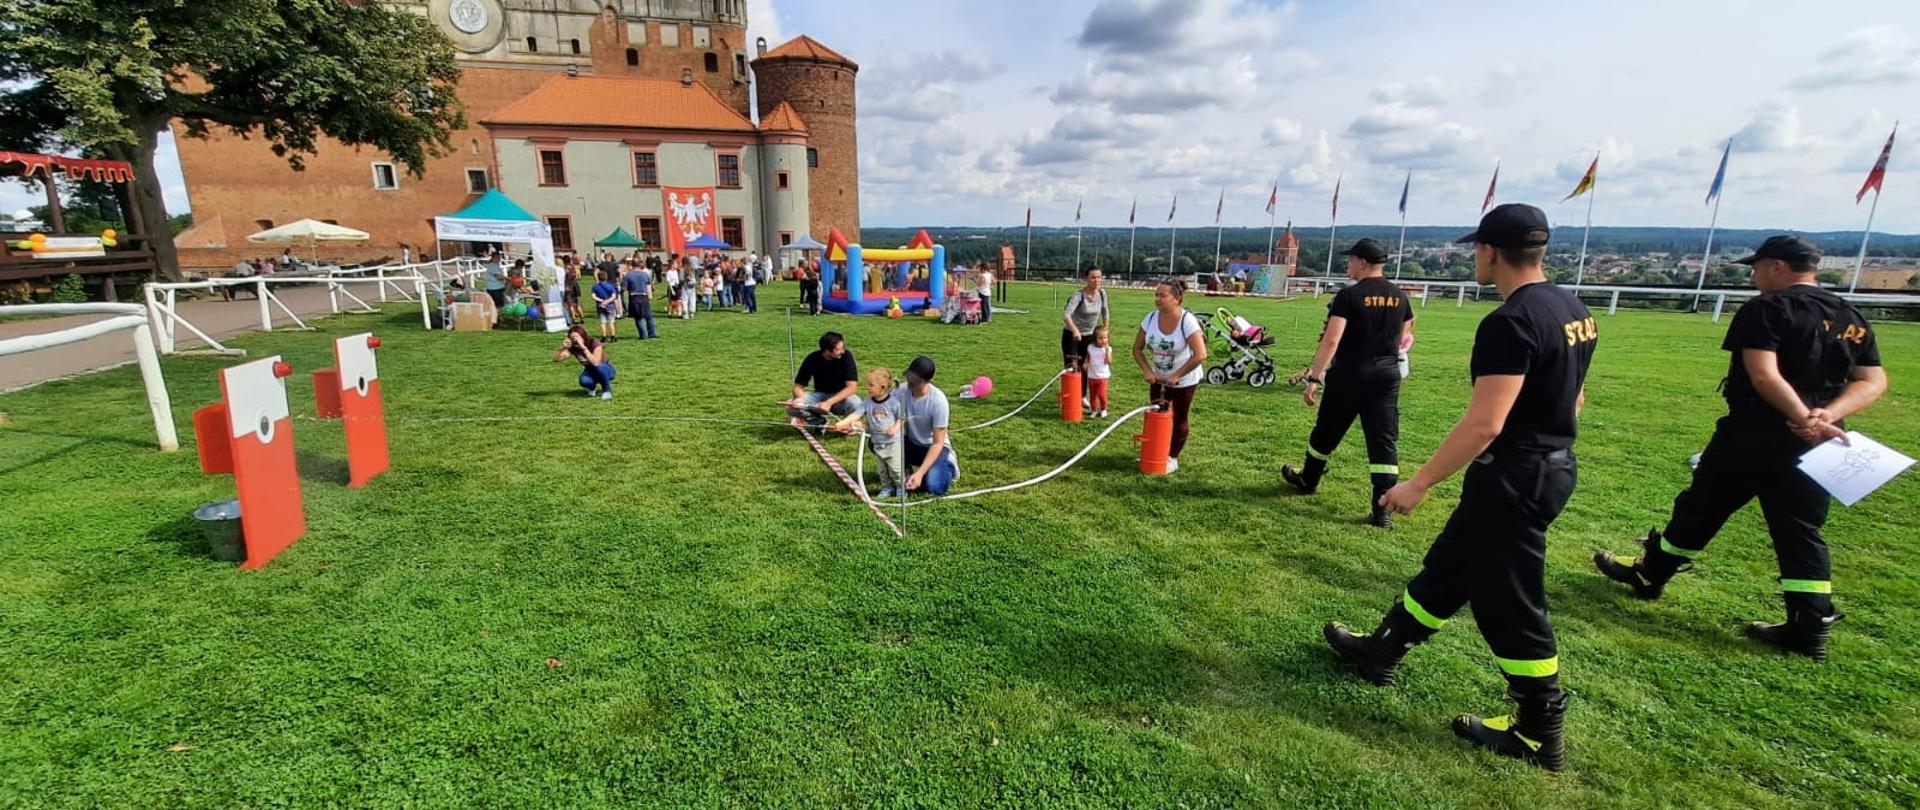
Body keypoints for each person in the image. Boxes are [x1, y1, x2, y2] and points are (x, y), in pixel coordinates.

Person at [1321, 204, 1595, 772]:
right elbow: (1575, 398)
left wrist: (1418, 483)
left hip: (1515, 473)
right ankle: (1383, 650)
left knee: (1510, 604)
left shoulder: (1510, 321)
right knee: (1450, 567)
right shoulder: (1574, 309)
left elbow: (1484, 422)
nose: (1475, 257)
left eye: (1477, 249)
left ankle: (1539, 730)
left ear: (1492, 252)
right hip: (1548, 464)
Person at [1593, 235, 1886, 661]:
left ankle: (1650, 574)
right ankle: (1809, 623)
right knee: (1800, 530)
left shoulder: (1767, 309)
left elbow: (1763, 375)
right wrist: (1825, 416)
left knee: (1701, 506)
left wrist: (1802, 417)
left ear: (1777, 267)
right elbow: (1873, 380)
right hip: (1821, 441)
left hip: (1754, 434)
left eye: (1757, 268)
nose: (1753, 276)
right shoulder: (1849, 315)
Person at [1282, 238, 1417, 529]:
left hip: (1350, 375)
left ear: (1363, 263)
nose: (1348, 264)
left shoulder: (1349, 296)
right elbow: (1407, 328)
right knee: (1383, 441)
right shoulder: (1400, 295)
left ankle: (1308, 479)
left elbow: (1332, 339)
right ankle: (1381, 510)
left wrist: (1315, 377)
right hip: (1386, 376)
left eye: (1351, 260)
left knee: (1326, 431)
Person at [1132, 279, 1208, 473]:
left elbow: (1200, 354)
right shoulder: (1149, 319)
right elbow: (1137, 348)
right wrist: (1147, 371)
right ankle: (1155, 451)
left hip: (1185, 378)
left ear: (1177, 299)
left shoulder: (1187, 321)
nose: (1157, 299)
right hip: (1159, 378)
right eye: (1156, 295)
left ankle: (1172, 457)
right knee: (1157, 414)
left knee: (1179, 417)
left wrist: (1177, 375)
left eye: (1162, 295)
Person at [832, 368, 909, 497]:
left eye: (871, 385)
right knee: (882, 470)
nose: (868, 388)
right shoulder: (867, 402)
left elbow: (902, 417)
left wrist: (895, 429)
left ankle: (901, 488)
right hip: (877, 442)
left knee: (896, 469)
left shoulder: (893, 403)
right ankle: (887, 488)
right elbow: (857, 414)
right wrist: (842, 423)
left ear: (882, 387)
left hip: (893, 443)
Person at [900, 356, 959, 495]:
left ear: (927, 381)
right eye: (909, 377)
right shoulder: (901, 391)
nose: (910, 382)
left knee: (934, 487)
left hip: (935, 448)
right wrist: (857, 423)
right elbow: (882, 412)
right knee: (877, 441)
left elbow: (938, 443)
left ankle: (949, 466)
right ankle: (905, 469)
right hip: (913, 444)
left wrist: (920, 474)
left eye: (915, 380)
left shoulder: (938, 401)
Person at [786, 331, 861, 427]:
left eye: (843, 347)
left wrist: (829, 402)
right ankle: (819, 422)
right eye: (838, 349)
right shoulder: (812, 358)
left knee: (856, 403)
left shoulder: (846, 356)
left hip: (840, 398)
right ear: (827, 350)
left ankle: (846, 425)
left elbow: (852, 388)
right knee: (790, 406)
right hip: (819, 396)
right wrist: (799, 400)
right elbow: (798, 386)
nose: (843, 351)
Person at [1062, 268, 1110, 372]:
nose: (1096, 280)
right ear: (1086, 279)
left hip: (1089, 336)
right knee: (1072, 369)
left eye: (1099, 277)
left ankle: (1083, 389)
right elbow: (1066, 315)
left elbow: (1105, 313)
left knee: (1085, 368)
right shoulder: (1078, 295)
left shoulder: (1102, 294)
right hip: (1072, 337)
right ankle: (1070, 388)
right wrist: (1075, 330)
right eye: (1093, 277)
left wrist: (1105, 333)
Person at [553, 325, 615, 400]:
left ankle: (607, 390)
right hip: (590, 370)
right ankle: (592, 387)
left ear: (583, 336)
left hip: (606, 368)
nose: (575, 340)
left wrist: (583, 347)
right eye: (572, 338)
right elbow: (556, 359)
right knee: (584, 381)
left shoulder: (594, 343)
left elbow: (595, 363)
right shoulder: (574, 348)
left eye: (577, 337)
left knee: (599, 367)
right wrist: (561, 348)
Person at [620, 258, 655, 339]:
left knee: (638, 317)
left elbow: (624, 289)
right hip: (644, 296)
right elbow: (648, 286)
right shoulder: (645, 274)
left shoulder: (628, 275)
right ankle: (652, 333)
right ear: (640, 264)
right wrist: (650, 297)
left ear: (631, 265)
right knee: (648, 315)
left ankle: (643, 335)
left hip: (634, 297)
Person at [1085, 325, 1113, 418]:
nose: (1103, 340)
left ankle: (1104, 409)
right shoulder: (1090, 347)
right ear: (1095, 338)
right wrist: (1086, 363)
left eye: (1105, 337)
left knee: (1101, 394)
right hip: (1092, 376)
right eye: (1100, 338)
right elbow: (1088, 358)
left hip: (1103, 377)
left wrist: (1106, 351)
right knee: (1092, 396)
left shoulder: (1108, 349)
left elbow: (1108, 361)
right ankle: (1093, 410)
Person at [590, 270, 619, 342]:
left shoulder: (595, 287)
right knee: (611, 321)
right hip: (610, 306)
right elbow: (614, 296)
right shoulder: (610, 286)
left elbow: (593, 296)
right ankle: (613, 336)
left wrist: (601, 301)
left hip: (600, 306)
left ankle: (604, 336)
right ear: (606, 277)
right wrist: (607, 301)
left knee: (602, 322)